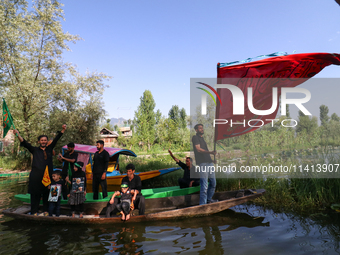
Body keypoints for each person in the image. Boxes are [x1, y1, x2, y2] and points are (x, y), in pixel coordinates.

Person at [13, 124, 66, 215]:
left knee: (47, 193)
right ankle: (34, 211)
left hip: (48, 176)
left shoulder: (49, 149)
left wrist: (63, 130)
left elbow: (56, 139)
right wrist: (17, 134)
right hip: (36, 176)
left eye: (45, 140)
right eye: (42, 140)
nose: (43, 141)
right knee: (35, 194)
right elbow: (25, 143)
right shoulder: (34, 150)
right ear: (39, 142)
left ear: (46, 141)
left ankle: (46, 210)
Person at [192, 124, 217, 205]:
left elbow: (205, 154)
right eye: (200, 128)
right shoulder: (195, 138)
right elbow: (198, 150)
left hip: (209, 163)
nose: (202, 129)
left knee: (213, 183)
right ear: (196, 130)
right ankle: (202, 205)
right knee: (205, 185)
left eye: (202, 128)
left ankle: (209, 200)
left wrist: (212, 160)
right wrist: (211, 152)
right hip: (203, 164)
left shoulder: (203, 139)